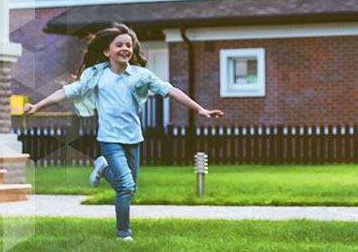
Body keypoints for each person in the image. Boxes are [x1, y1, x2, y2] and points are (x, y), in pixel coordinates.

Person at [23, 23, 223, 241]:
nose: (125, 48)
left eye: (129, 45)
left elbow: (171, 90)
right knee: (126, 186)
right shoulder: (96, 75)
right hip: (110, 139)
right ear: (107, 51)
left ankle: (102, 167)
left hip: (133, 138)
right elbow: (66, 92)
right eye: (119, 45)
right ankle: (123, 234)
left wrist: (200, 109)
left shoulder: (140, 75)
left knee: (129, 188)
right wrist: (37, 106)